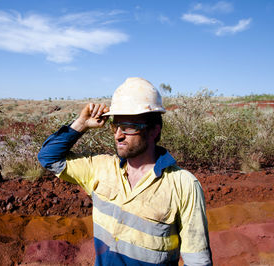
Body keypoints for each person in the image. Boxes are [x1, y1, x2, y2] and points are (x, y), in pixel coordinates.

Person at [38, 77, 212, 265]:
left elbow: (198, 261)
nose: (118, 135)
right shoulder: (101, 168)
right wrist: (81, 123)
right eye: (116, 126)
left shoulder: (183, 185)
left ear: (154, 131)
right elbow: (49, 158)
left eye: (129, 127)